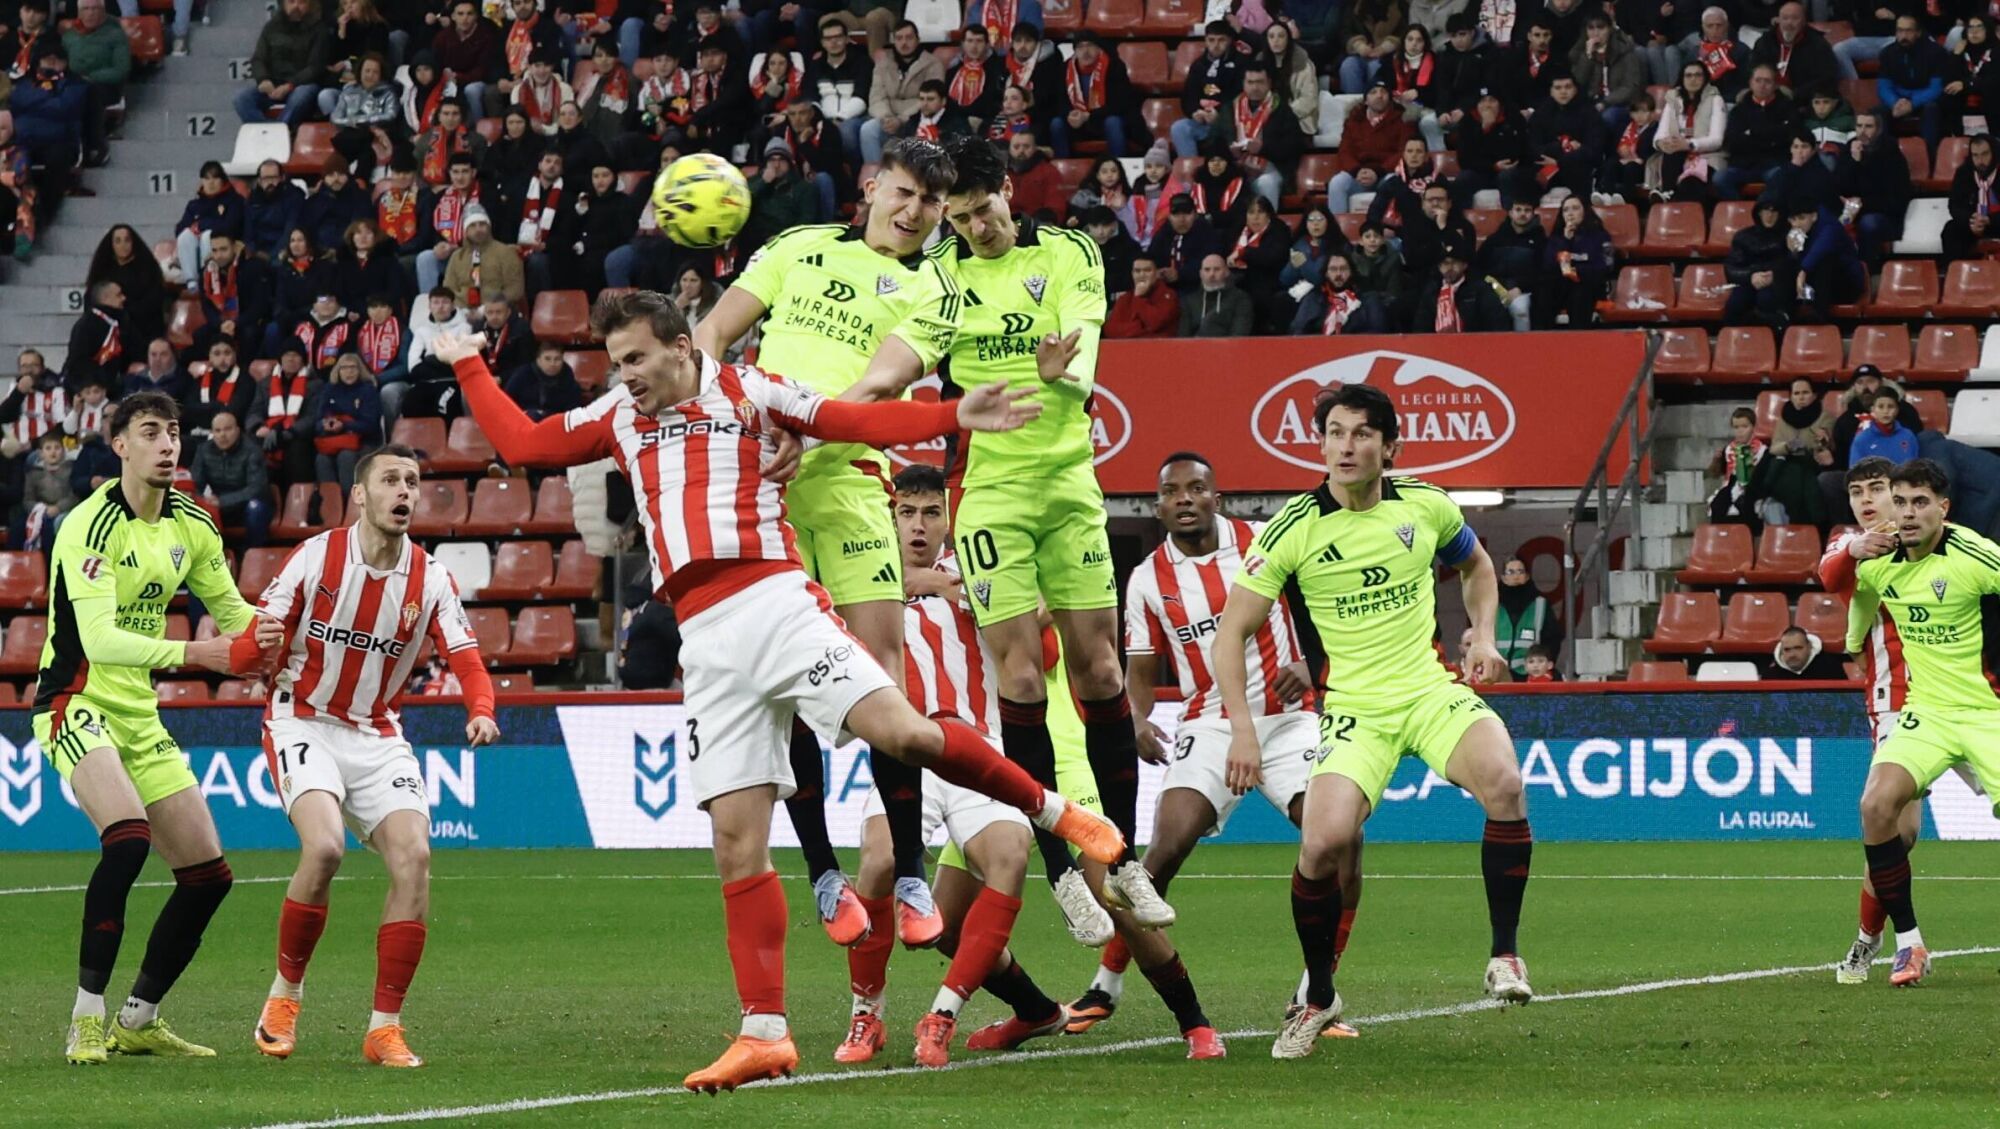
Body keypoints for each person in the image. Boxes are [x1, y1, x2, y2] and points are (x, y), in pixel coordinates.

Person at [434, 291, 1121, 1092]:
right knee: (735, 840)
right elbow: (521, 440)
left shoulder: (753, 390)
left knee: (904, 732)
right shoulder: (620, 415)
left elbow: (849, 421)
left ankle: (1053, 811)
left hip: (777, 601)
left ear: (682, 346)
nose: (625, 377)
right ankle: (764, 1031)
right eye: (615, 363)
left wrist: (950, 415)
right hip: (706, 639)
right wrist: (466, 361)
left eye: (636, 359)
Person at [691, 140, 968, 949]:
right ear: (874, 185)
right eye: (906, 193)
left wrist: (807, 433)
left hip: (848, 479)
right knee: (788, 677)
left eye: (931, 206)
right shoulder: (795, 246)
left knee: (885, 675)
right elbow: (711, 333)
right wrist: (703, 405)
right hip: (762, 485)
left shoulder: (940, 286)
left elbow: (881, 383)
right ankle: (821, 872)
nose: (913, 213)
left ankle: (909, 870)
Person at [901, 134, 1177, 943]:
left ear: (1009, 193)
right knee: (1019, 678)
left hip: (1068, 485)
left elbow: (1081, 334)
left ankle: (1122, 859)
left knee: (1096, 669)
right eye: (960, 219)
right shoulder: (945, 270)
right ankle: (1063, 870)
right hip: (988, 490)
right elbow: (908, 344)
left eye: (984, 212)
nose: (977, 230)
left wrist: (1066, 370)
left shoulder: (1068, 253)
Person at [1217, 382, 1535, 1057]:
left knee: (1505, 782)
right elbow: (1230, 633)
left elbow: (1476, 565)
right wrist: (1242, 726)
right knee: (1321, 844)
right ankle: (1321, 994)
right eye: (1334, 432)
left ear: (1389, 446)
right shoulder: (1294, 526)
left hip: (1426, 690)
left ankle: (1504, 955)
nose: (1345, 446)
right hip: (1356, 709)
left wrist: (1482, 635)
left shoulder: (1426, 504)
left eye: (1361, 433)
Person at [38, 392, 279, 1065]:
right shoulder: (87, 526)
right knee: (127, 842)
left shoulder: (192, 524)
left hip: (138, 714)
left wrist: (275, 633)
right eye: (150, 432)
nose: (168, 443)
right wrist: (195, 654)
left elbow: (231, 611)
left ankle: (138, 1017)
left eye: (174, 431)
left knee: (208, 875)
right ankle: (86, 1016)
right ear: (119, 444)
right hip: (75, 701)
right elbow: (101, 638)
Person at [1067, 452, 1332, 1051]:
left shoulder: (1263, 543)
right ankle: (1106, 984)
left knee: (1331, 838)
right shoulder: (1145, 580)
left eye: (1196, 488)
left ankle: (1317, 993)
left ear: (1218, 497)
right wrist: (1135, 717)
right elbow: (1139, 666)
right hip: (1209, 725)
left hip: (1290, 721)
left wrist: (1308, 660)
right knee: (1159, 854)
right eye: (1171, 491)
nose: (1184, 498)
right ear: (1157, 506)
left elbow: (1322, 599)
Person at [248, 443, 497, 1070]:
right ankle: (285, 996)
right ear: (360, 494)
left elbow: (466, 657)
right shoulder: (317, 556)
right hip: (301, 717)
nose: (404, 491)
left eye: (412, 480)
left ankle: (384, 1028)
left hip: (377, 733)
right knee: (325, 847)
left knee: (415, 857)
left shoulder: (431, 577)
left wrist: (482, 709)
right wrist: (262, 643)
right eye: (390, 480)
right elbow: (260, 631)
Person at [834, 464, 1088, 1068]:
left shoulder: (980, 579)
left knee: (1008, 857)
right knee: (877, 863)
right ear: (888, 518)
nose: (918, 525)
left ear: (950, 520)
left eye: (930, 513)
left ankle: (944, 1013)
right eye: (906, 512)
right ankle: (866, 1016)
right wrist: (918, 580)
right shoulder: (863, 581)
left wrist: (965, 585)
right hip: (901, 752)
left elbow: (1048, 605)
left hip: (979, 749)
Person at [1848, 459, 2000, 987]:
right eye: (1901, 501)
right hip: (1927, 713)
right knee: (1876, 806)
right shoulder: (1877, 564)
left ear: (1943, 509)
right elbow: (1860, 598)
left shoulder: (1975, 555)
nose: (1909, 513)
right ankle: (1909, 945)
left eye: (1920, 503)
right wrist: (1851, 643)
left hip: (1988, 712)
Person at [1214, 63, 1305, 209]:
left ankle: (1270, 229)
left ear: (1269, 83)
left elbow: (1294, 146)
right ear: (1243, 83)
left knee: (1266, 183)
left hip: (1271, 168)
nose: (1255, 87)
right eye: (1250, 82)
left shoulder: (1282, 110)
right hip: (1235, 167)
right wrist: (1229, 153)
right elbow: (1212, 141)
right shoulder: (1229, 109)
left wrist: (1263, 148)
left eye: (1259, 82)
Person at [861, 21, 945, 163]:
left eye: (909, 38)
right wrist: (887, 117)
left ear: (918, 40)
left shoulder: (933, 64)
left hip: (915, 120)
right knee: (868, 129)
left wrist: (901, 119)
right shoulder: (883, 63)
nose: (904, 43)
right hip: (887, 119)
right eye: (899, 38)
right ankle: (877, 177)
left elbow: (930, 101)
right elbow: (876, 97)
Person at [236, 0, 330, 126]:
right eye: (291, 1)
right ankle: (268, 130)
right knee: (241, 99)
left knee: (302, 96)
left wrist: (290, 85)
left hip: (300, 85)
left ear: (309, 5)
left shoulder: (319, 30)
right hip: (273, 85)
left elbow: (315, 68)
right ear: (284, 4)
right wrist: (263, 79)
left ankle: (280, 130)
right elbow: (258, 59)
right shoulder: (271, 27)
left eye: (301, 2)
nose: (296, 6)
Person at [189, 409, 273, 546]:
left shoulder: (252, 450)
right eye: (217, 430)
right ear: (212, 433)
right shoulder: (203, 450)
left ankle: (252, 556)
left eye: (227, 429)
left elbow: (256, 488)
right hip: (219, 506)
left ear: (238, 430)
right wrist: (200, 500)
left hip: (247, 504)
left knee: (255, 508)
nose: (222, 435)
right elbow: (194, 484)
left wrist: (223, 501)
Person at [62, 0, 130, 167]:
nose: (91, 13)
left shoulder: (116, 34)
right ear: (79, 13)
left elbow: (121, 69)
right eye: (86, 9)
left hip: (106, 87)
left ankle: (96, 146)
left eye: (95, 9)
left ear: (104, 12)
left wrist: (92, 77)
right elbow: (61, 63)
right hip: (74, 84)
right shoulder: (69, 36)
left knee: (89, 95)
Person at [1714, 65, 1798, 198]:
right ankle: (1739, 212)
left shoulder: (1788, 108)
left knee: (1781, 178)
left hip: (1774, 164)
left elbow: (1789, 138)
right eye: (1758, 80)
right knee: (1720, 179)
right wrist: (1770, 138)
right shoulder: (1739, 111)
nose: (1762, 85)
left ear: (1775, 85)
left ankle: (1766, 213)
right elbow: (1732, 142)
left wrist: (1751, 134)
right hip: (1742, 165)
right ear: (1750, 83)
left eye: (1767, 81)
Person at [1328, 81, 1413, 213]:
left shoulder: (1403, 119)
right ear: (1366, 100)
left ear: (1390, 98)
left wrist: (1378, 171)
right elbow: (1345, 151)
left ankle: (1389, 227)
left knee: (1394, 181)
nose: (1379, 96)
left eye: (1383, 92)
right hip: (1358, 175)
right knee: (1337, 183)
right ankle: (1338, 229)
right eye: (1373, 92)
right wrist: (1357, 171)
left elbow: (1404, 151)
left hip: (1386, 173)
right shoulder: (1353, 120)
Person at [1840, 107, 1909, 263]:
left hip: (1885, 216)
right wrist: (1854, 163)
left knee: (1869, 224)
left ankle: (1871, 273)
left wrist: (1863, 204)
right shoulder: (1849, 150)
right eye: (1859, 126)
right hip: (1851, 212)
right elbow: (1840, 186)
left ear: (1879, 129)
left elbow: (1896, 199)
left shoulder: (1891, 154)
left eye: (1868, 126)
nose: (1862, 131)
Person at [1050, 32, 1134, 157]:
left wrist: (1089, 116)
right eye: (1080, 47)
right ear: (1075, 51)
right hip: (1077, 123)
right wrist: (1069, 114)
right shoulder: (1064, 69)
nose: (1085, 51)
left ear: (1098, 48)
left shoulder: (1114, 66)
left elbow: (1120, 104)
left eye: (1089, 46)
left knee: (1113, 122)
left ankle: (1118, 165)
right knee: (1057, 124)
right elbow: (1059, 101)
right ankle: (1062, 169)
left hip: (1103, 119)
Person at [1535, 194, 1613, 329]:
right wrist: (1566, 240)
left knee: (1580, 295)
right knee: (1542, 294)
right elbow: (1548, 266)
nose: (1570, 213)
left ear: (1585, 211)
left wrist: (1576, 273)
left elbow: (1605, 266)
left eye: (1575, 208)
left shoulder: (1600, 236)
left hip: (1588, 284)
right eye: (1566, 210)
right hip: (1560, 285)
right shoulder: (1556, 238)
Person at [1877, 14, 1950, 156]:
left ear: (1918, 32)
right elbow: (1883, 86)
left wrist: (1912, 103)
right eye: (1900, 31)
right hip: (1898, 101)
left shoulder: (1936, 52)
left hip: (1925, 101)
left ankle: (1929, 157)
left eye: (1908, 31)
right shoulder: (1887, 53)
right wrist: (1894, 103)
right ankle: (1883, 156)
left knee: (1932, 109)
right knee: (1877, 112)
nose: (1903, 35)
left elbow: (1936, 88)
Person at [1765, 375, 1833, 527]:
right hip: (1788, 462)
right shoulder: (1784, 418)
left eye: (1805, 393)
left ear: (1814, 395)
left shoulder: (1825, 417)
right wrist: (1788, 446)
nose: (1801, 397)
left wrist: (1796, 445)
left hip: (1812, 463)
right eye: (1796, 393)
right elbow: (1774, 448)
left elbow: (1822, 444)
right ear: (1791, 397)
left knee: (1798, 476)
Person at [1171, 21, 1245, 159]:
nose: (1216, 45)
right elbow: (1188, 97)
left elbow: (1241, 96)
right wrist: (1194, 112)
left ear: (1230, 40)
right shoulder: (1198, 65)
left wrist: (1220, 115)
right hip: (1203, 123)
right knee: (1179, 128)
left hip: (1231, 123)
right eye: (1211, 40)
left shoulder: (1241, 64)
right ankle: (1191, 172)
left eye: (1221, 40)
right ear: (1205, 41)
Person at [88, 224, 168, 347]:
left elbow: (154, 300)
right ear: (111, 245)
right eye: (118, 241)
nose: (123, 245)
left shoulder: (147, 266)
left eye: (127, 240)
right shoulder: (102, 268)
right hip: (108, 328)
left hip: (142, 327)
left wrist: (126, 316)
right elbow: (92, 298)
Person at [1408, 234, 1509, 332]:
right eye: (1445, 263)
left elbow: (1497, 324)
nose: (1449, 268)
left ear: (1464, 265)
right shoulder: (1432, 292)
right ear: (1439, 267)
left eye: (1454, 262)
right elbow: (1421, 329)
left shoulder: (1480, 289)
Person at [1530, 73, 1606, 199]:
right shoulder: (1541, 113)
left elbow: (1594, 149)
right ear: (1551, 91)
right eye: (1558, 88)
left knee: (1579, 170)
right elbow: (1533, 146)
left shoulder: (1589, 112)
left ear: (1575, 89)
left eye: (1567, 87)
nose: (1563, 92)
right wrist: (1560, 147)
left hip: (1577, 167)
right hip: (1547, 164)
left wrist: (1560, 162)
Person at [805, 19, 874, 157]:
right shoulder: (815, 66)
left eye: (838, 37)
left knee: (846, 131)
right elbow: (810, 97)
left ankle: (856, 173)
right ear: (822, 43)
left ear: (847, 39)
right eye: (828, 38)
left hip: (855, 117)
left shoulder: (863, 62)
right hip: (823, 118)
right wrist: (821, 121)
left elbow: (862, 96)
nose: (834, 42)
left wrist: (840, 119)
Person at [1723, 195, 1793, 329]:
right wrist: (1752, 276)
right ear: (1759, 212)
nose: (1769, 215)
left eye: (1774, 211)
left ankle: (1776, 345)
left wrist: (1775, 275)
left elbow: (1793, 263)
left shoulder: (1789, 235)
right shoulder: (1743, 236)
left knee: (1767, 300)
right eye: (1766, 210)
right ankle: (1732, 344)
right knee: (1735, 303)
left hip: (1778, 283)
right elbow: (1731, 268)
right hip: (1749, 281)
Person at [443, 206, 525, 311]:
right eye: (472, 226)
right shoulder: (457, 256)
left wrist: (488, 308)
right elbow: (448, 289)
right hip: (461, 311)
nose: (478, 229)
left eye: (482, 224)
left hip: (496, 312)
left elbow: (515, 290)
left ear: (489, 227)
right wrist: (462, 309)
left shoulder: (506, 252)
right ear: (466, 231)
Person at [1751, 2, 1838, 98]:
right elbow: (1753, 69)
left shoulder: (1818, 45)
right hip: (1768, 97)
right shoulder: (1765, 41)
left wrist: (1795, 94)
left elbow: (1826, 79)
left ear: (1804, 21)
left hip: (1803, 102)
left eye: (1795, 18)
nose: (1789, 23)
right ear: (1778, 20)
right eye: (1785, 18)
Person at [1496, 556, 1564, 677]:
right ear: (1503, 577)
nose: (1516, 576)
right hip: (1498, 674)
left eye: (1520, 571)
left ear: (1527, 576)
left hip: (1530, 676)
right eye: (1510, 572)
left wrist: (1542, 667)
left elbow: (1553, 638)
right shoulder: (1492, 605)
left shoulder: (1540, 604)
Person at [1941, 132, 2000, 263]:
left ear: (1994, 153)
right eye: (1975, 155)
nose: (1980, 161)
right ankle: (1958, 276)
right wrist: (1970, 220)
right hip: (1973, 223)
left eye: (1985, 154)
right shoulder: (1964, 172)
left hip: (1996, 222)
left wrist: (1990, 220)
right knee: (1951, 230)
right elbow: (1954, 205)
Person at [1146, 193, 1221, 296]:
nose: (1182, 219)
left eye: (1186, 214)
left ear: (1195, 214)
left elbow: (1210, 264)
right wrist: (1156, 272)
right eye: (1176, 215)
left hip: (1198, 290)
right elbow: (1151, 258)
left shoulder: (1206, 233)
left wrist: (1180, 274)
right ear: (1169, 216)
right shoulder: (1163, 233)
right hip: (1165, 291)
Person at [1708, 406, 1769, 532]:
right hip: (1731, 486)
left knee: (1748, 505)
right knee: (1717, 504)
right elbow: (1715, 473)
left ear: (1753, 428)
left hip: (1754, 486)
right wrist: (1716, 460)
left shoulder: (1763, 450)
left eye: (1744, 427)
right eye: (1736, 427)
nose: (1740, 431)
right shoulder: (1729, 449)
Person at [505, 340, 583, 420]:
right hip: (523, 420)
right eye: (547, 359)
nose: (552, 363)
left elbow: (572, 414)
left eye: (557, 359)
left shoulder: (569, 381)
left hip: (555, 424)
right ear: (538, 360)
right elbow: (506, 403)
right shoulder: (521, 375)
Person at [1105, 255, 1180, 337]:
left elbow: (1154, 323)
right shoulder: (1125, 298)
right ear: (1132, 274)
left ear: (1156, 273)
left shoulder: (1169, 296)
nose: (1142, 275)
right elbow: (1111, 330)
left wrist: (1138, 298)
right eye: (1137, 271)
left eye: (1147, 270)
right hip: (1127, 348)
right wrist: (1140, 327)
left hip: (1159, 348)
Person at [1181, 252, 1254, 336]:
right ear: (1200, 274)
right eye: (1207, 269)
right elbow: (1183, 336)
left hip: (1229, 348)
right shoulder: (1189, 301)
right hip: (1195, 347)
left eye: (1217, 269)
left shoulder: (1240, 299)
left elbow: (1240, 333)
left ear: (1226, 272)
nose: (1212, 274)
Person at [1848, 388, 1921, 466]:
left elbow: (1915, 469)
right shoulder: (1862, 439)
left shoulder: (1908, 436)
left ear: (1897, 410)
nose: (1886, 411)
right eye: (1880, 407)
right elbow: (1855, 473)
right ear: (1873, 409)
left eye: (1890, 406)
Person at [1764, 625, 1847, 680]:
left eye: (1798, 648)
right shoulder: (1770, 675)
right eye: (1787, 649)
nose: (1792, 655)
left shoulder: (1831, 667)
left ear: (1809, 646)